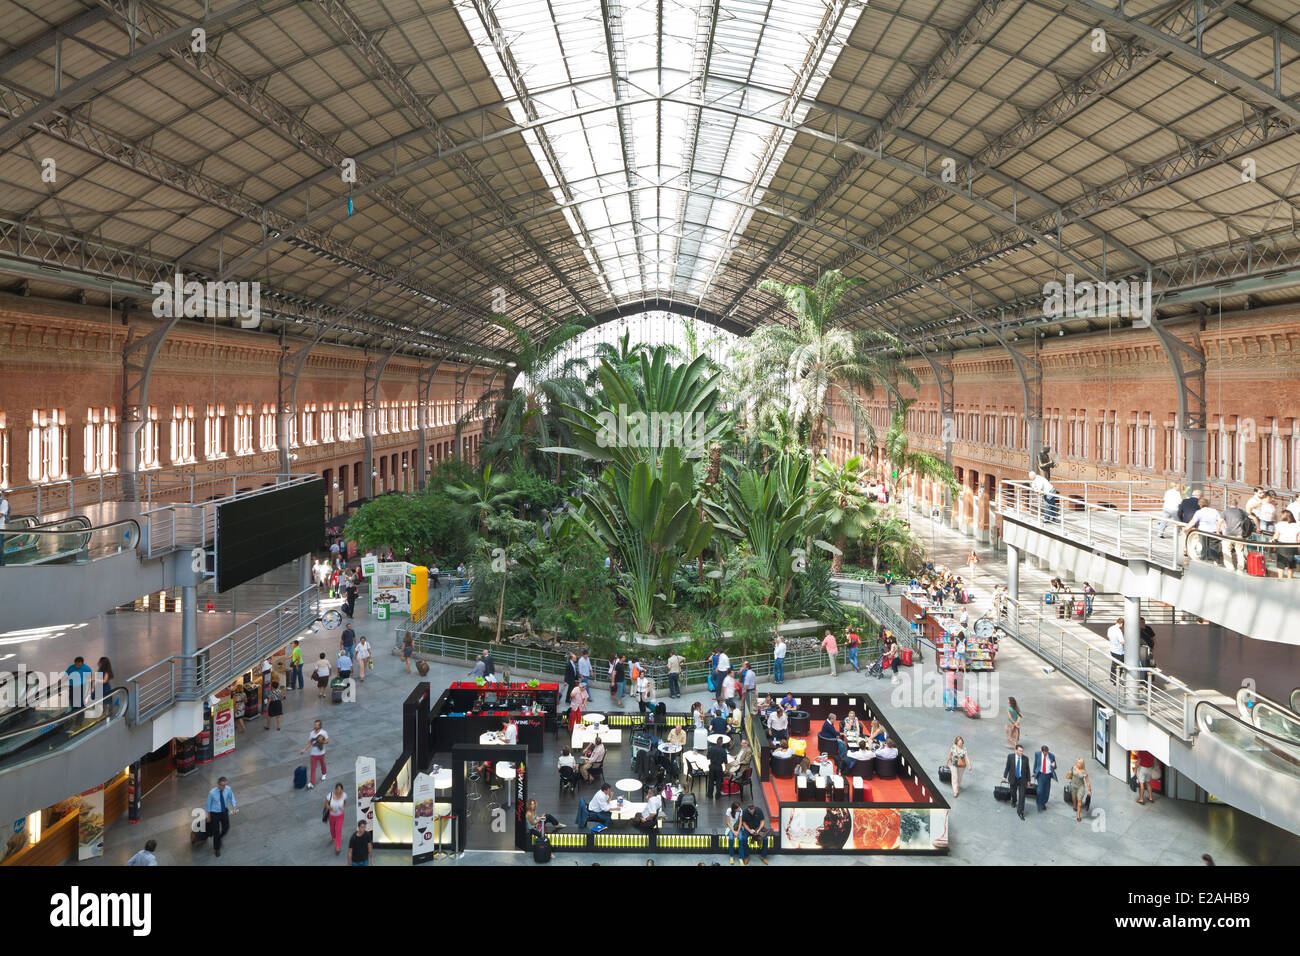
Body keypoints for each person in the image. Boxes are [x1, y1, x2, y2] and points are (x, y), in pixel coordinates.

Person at [205, 776, 238, 857]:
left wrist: (234, 807)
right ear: (218, 784)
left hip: (223, 812)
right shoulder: (212, 793)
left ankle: (218, 838)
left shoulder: (228, 789)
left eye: (225, 785)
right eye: (222, 785)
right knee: (216, 831)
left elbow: (231, 797)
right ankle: (217, 848)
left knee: (226, 828)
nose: (224, 787)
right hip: (214, 813)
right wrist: (209, 816)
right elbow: (208, 805)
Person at [1186, 497, 1225, 561]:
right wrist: (1222, 530)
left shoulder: (1199, 512)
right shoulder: (1214, 511)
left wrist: (1186, 528)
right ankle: (1216, 561)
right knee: (1214, 547)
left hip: (1203, 531)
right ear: (1208, 504)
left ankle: (1204, 560)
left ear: (1200, 505)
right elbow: (1220, 521)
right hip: (1214, 531)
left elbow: (1193, 522)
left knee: (1203, 547)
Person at [1222, 498, 1254, 572]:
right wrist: (1258, 528)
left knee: (1226, 550)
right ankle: (1240, 569)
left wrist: (1218, 531)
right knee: (1239, 552)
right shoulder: (1241, 511)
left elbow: (1220, 522)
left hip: (1228, 534)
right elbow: (1253, 518)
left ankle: (1230, 567)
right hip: (1239, 534)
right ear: (1237, 505)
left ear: (1229, 505)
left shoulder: (1225, 512)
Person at [1002, 744, 1031, 821]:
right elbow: (1007, 767)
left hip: (1022, 780)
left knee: (1022, 796)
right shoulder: (1010, 757)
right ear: (1016, 750)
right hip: (1013, 778)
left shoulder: (1025, 759)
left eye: (1022, 751)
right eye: (1020, 751)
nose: (1021, 752)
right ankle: (1014, 801)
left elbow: (1028, 770)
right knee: (1013, 792)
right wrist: (1004, 777)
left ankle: (1020, 812)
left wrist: (1028, 781)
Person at [299, 720, 329, 788]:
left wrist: (322, 741)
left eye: (317, 725)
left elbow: (327, 741)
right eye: (315, 725)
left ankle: (324, 773)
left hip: (321, 753)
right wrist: (304, 749)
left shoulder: (323, 732)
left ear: (320, 725)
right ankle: (312, 783)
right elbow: (309, 742)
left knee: (322, 764)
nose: (315, 726)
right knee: (313, 768)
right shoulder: (312, 733)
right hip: (313, 754)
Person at [1272, 512, 1299, 578]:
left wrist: (1272, 539)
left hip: (1282, 546)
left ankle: (1280, 580)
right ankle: (1290, 581)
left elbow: (1276, 537)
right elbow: (1298, 539)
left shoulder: (1280, 524)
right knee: (1291, 566)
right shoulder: (1297, 525)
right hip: (1292, 546)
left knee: (1281, 565)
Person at [1065, 758, 1092, 822]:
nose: (1077, 764)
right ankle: (1074, 806)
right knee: (1074, 797)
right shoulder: (1073, 767)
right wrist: (1070, 772)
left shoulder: (1084, 772)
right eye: (1077, 762)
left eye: (1079, 763)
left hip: (1080, 787)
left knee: (1079, 801)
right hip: (1073, 785)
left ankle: (1078, 815)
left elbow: (1088, 782)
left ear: (1082, 764)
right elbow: (1070, 774)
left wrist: (1089, 790)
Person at [1034, 745, 1058, 811]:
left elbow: (1055, 766)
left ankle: (1043, 802)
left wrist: (1054, 765)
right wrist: (1034, 771)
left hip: (1048, 775)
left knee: (1046, 791)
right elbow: (1035, 763)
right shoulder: (1037, 754)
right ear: (1042, 751)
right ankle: (1039, 804)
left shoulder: (1052, 756)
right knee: (1040, 790)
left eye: (1046, 752)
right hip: (1040, 775)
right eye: (1044, 753)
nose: (1045, 754)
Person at [325, 783, 347, 854]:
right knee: (332, 828)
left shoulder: (344, 795)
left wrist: (343, 807)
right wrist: (331, 808)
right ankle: (333, 838)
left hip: (340, 816)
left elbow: (344, 802)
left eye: (340, 790)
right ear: (335, 789)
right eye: (337, 789)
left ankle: (338, 846)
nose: (339, 791)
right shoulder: (330, 795)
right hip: (331, 816)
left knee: (338, 830)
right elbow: (326, 804)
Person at [1106, 618, 1125, 683]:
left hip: (1112, 649)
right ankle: (1116, 679)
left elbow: (1108, 637)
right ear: (1121, 623)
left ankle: (1112, 677)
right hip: (1119, 651)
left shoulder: (1110, 628)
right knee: (1119, 665)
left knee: (1114, 664)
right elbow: (1122, 642)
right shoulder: (1118, 631)